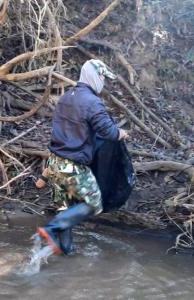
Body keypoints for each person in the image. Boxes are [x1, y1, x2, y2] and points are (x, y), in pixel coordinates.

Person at [37, 59, 128, 255]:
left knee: (64, 207)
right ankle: (51, 229)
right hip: (73, 166)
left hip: (54, 162)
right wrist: (121, 133)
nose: (103, 82)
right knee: (93, 204)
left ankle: (64, 252)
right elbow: (109, 132)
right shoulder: (92, 102)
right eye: (103, 77)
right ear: (94, 76)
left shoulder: (66, 97)